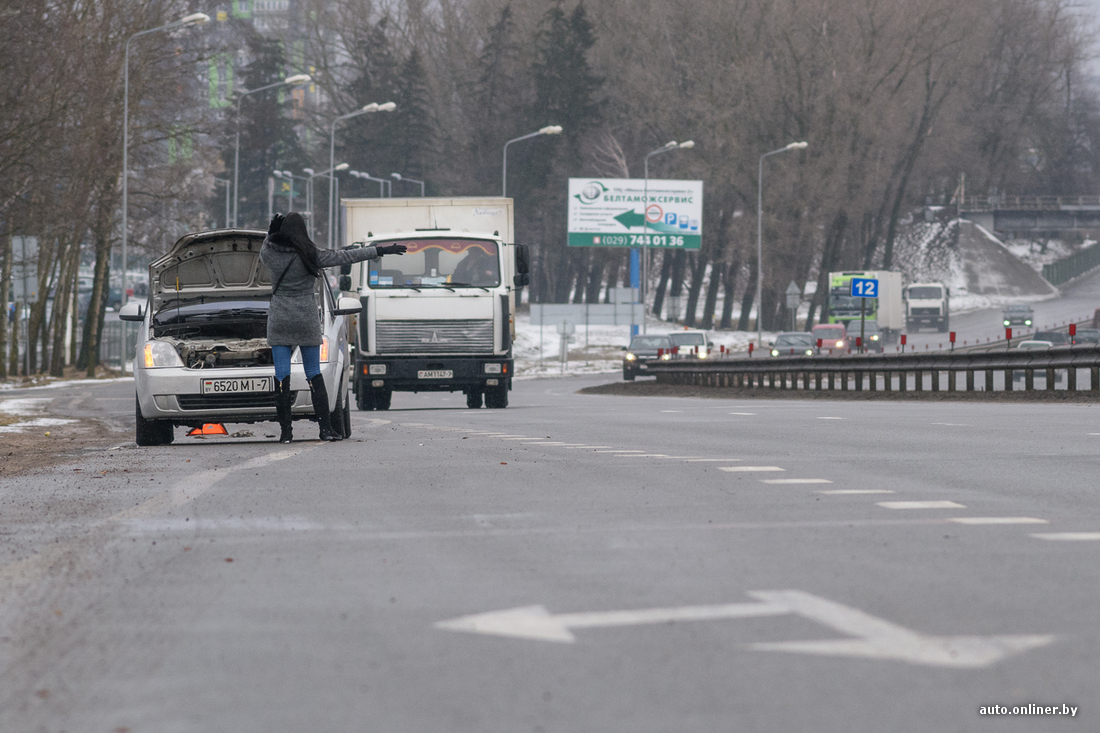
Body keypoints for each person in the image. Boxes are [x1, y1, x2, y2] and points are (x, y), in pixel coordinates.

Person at [261, 212, 406, 443]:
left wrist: (270, 234)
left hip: (280, 319)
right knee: (313, 373)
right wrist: (379, 251)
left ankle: (286, 433)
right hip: (305, 318)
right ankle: (326, 429)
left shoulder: (270, 254)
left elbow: (264, 250)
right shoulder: (312, 254)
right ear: (303, 231)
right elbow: (345, 256)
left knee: (281, 376)